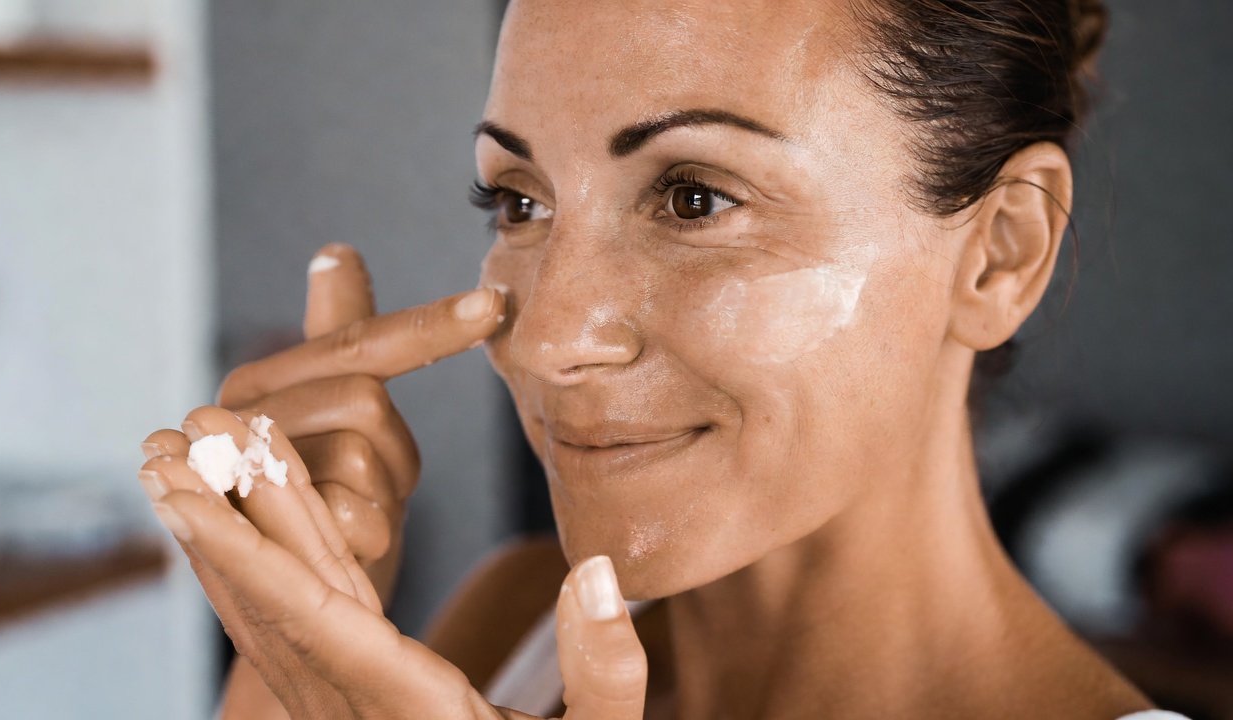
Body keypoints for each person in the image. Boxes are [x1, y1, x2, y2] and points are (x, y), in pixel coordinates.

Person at [136, 1, 1192, 717]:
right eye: (517, 199)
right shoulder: (517, 621)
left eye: (696, 198)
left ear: (996, 256)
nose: (545, 338)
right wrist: (278, 683)